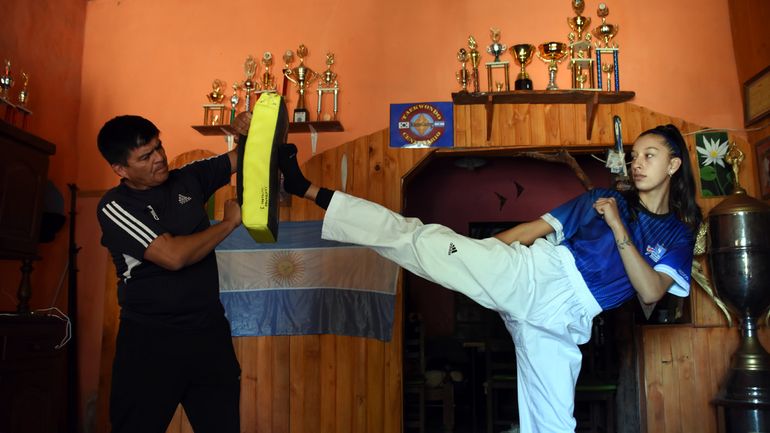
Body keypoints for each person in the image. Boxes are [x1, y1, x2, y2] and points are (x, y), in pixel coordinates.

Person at [275, 124, 702, 433]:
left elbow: (649, 293)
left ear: (673, 165)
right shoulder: (602, 198)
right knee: (421, 239)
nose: (637, 163)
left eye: (650, 155)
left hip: (563, 321)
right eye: (635, 154)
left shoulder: (678, 234)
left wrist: (618, 229)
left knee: (553, 425)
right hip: (533, 273)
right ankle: (306, 188)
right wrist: (478, 256)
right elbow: (529, 231)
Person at [96, 114, 249, 433]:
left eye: (158, 147)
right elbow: (172, 255)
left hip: (208, 335)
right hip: (150, 343)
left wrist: (250, 130)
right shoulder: (115, 206)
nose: (159, 158)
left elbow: (244, 157)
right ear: (121, 169)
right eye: (145, 156)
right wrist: (228, 223)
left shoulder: (189, 179)